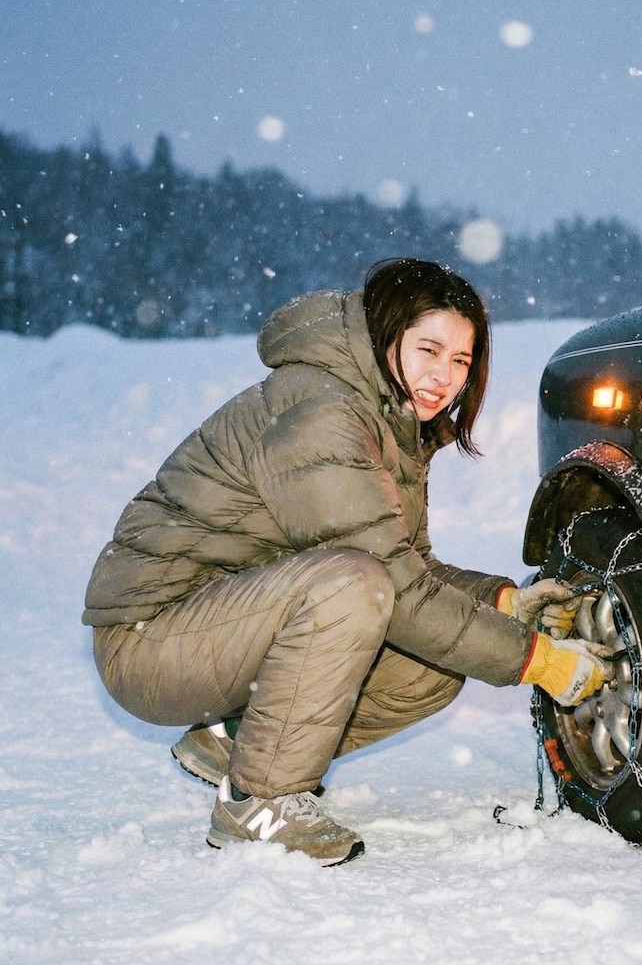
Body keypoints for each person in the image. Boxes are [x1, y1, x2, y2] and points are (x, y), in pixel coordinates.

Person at [84, 258, 609, 867]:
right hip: (150, 640)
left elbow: (409, 569)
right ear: (386, 336)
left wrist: (504, 603)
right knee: (354, 587)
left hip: (224, 621)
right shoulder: (324, 414)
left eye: (461, 361)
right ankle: (260, 802)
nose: (444, 376)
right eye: (428, 350)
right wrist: (539, 661)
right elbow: (389, 585)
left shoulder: (385, 415)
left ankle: (234, 742)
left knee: (431, 669)